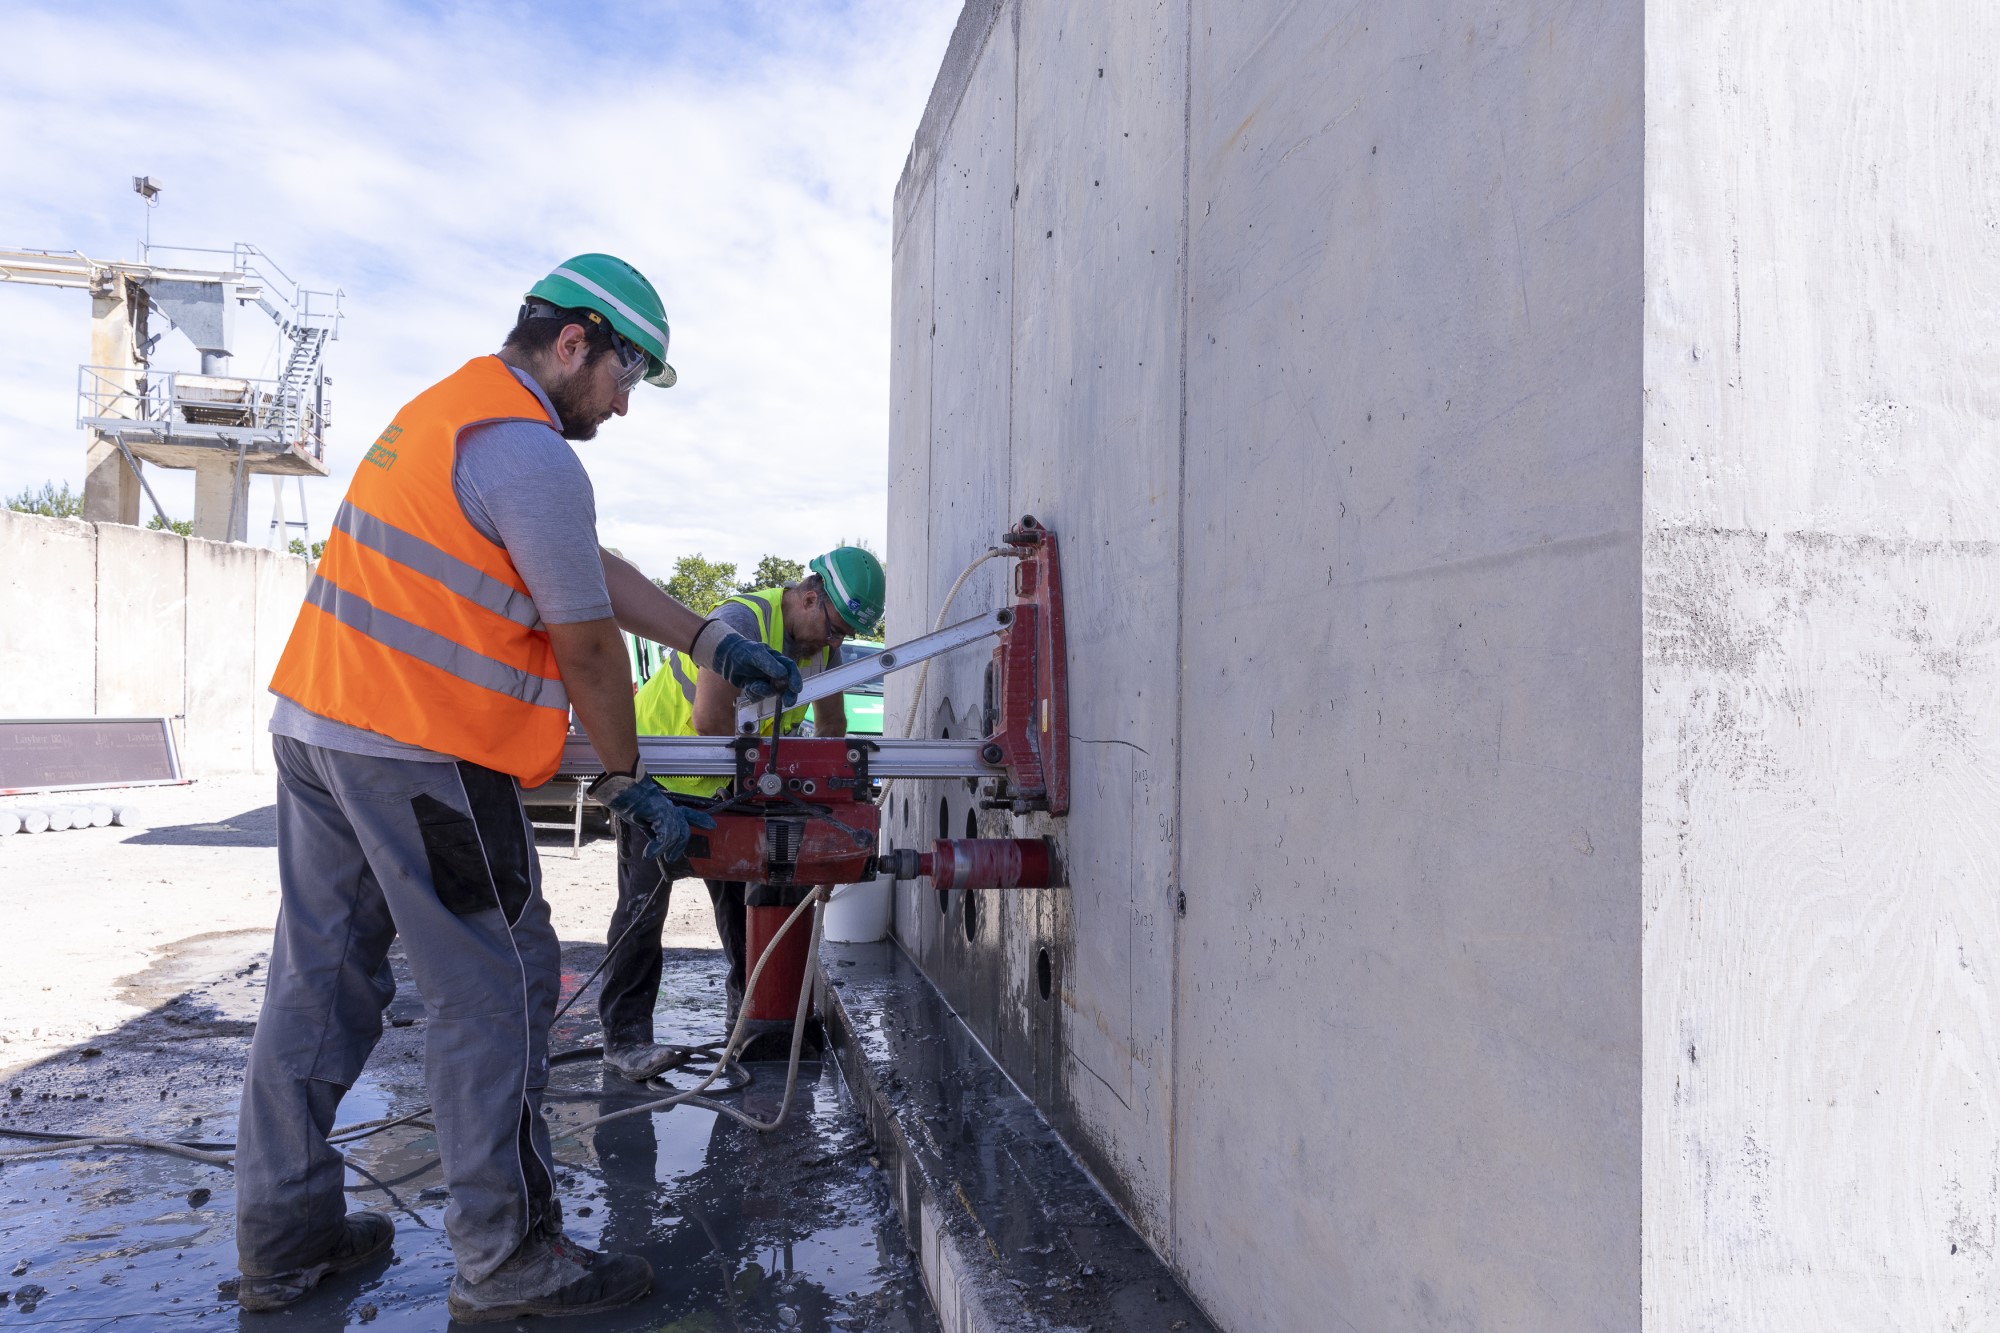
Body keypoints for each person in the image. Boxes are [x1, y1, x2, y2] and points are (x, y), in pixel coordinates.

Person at [233, 254, 802, 1323]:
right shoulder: (532, 452)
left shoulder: (456, 413)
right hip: (421, 755)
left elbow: (586, 563)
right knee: (496, 988)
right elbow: (584, 642)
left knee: (318, 981)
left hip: (320, 730)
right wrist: (628, 781)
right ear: (576, 340)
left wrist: (707, 636)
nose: (625, 403)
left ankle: (287, 1239)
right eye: (627, 373)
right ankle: (508, 1263)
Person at [598, 546, 886, 1078]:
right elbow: (709, 722)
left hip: (732, 786)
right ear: (807, 596)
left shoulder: (822, 644)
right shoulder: (741, 621)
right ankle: (626, 1037)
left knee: (741, 900)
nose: (835, 642)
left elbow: (831, 727)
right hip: (655, 780)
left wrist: (833, 803)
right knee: (644, 903)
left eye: (844, 634)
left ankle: (748, 1016)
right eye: (834, 627)